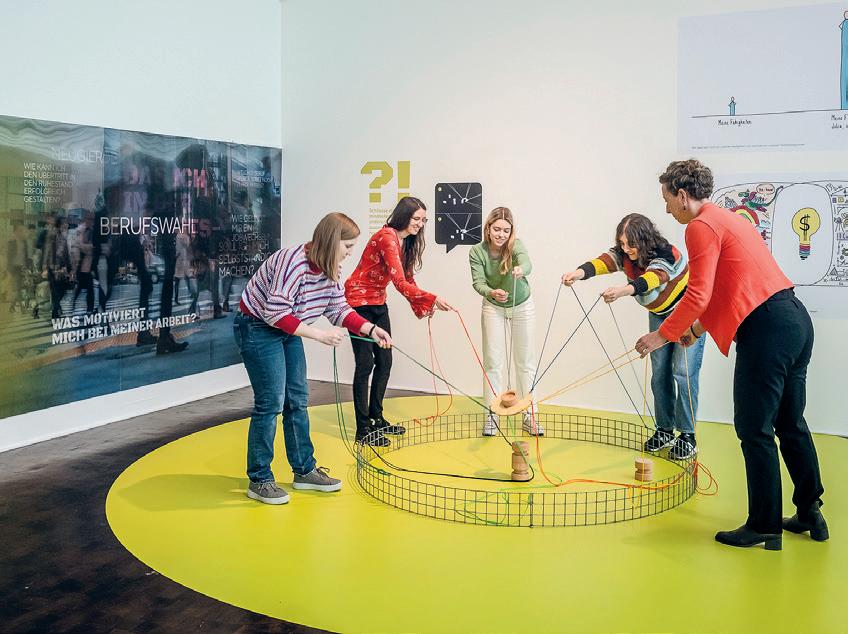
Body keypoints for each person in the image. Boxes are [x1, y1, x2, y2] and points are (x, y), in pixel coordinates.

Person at [636, 159, 827, 550]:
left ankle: (764, 525)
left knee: (754, 429)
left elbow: (698, 294)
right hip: (793, 320)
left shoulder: (700, 226)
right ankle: (810, 512)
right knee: (790, 424)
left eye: (667, 200)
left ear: (682, 195)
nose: (667, 209)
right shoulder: (726, 219)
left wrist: (662, 336)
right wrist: (693, 330)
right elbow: (727, 290)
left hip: (767, 330)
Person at [234, 212, 392, 505]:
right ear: (332, 242)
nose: (350, 253)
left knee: (297, 399)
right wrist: (319, 335)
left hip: (286, 327)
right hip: (257, 326)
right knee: (271, 402)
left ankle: (304, 471)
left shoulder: (330, 269)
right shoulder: (293, 264)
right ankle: (260, 479)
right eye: (348, 246)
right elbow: (274, 312)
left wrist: (371, 329)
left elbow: (338, 309)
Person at [562, 213, 705, 459]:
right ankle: (664, 430)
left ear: (645, 240)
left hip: (687, 314)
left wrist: (623, 291)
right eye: (622, 243)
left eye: (631, 244)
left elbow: (652, 279)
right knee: (659, 372)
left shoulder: (667, 254)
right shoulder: (626, 254)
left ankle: (687, 435)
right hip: (660, 314)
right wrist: (578, 273)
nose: (626, 249)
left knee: (683, 372)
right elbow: (604, 262)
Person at [344, 196, 452, 447]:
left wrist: (424, 305)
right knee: (365, 364)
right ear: (404, 215)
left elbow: (408, 279)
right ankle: (363, 429)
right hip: (358, 303)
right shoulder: (387, 237)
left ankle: (377, 418)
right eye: (417, 219)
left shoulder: (406, 242)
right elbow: (400, 283)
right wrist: (433, 299)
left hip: (378, 302)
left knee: (385, 361)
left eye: (423, 220)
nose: (420, 224)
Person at [469, 207, 542, 436]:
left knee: (525, 362)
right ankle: (492, 416)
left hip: (522, 305)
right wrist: (491, 292)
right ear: (488, 229)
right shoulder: (477, 252)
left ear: (511, 232)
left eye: (506, 230)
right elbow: (478, 282)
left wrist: (521, 269)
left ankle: (530, 416)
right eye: (497, 229)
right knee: (493, 362)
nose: (501, 234)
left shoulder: (516, 246)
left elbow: (527, 263)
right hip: (493, 306)